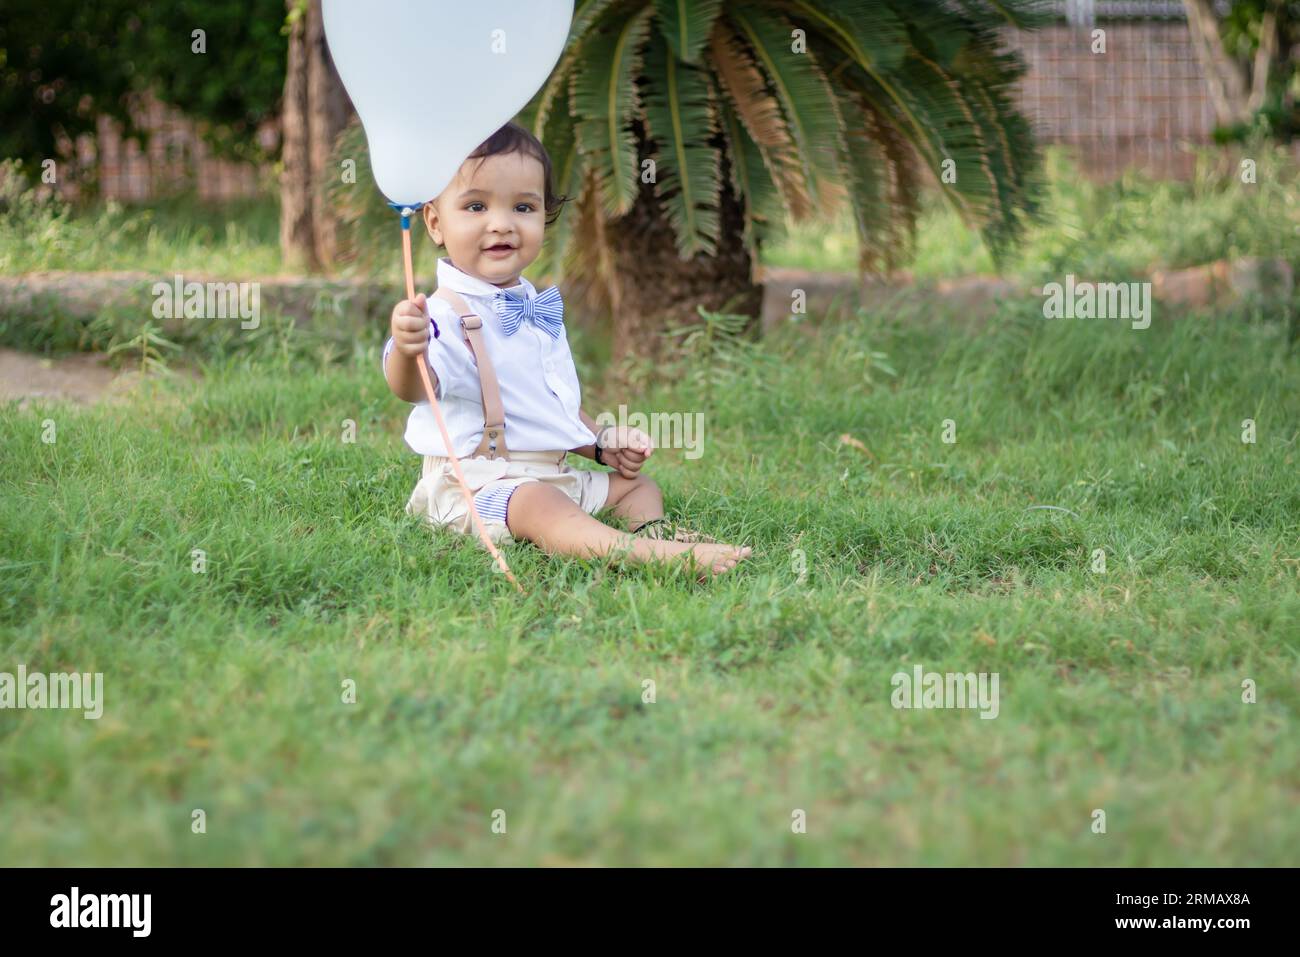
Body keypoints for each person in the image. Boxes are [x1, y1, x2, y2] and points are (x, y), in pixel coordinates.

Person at [382, 123, 751, 579]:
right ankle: (645, 556)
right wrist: (405, 347)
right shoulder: (443, 314)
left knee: (637, 488)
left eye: (523, 206)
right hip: (475, 484)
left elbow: (547, 407)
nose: (501, 223)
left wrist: (601, 446)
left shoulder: (534, 308)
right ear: (435, 222)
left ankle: (653, 535)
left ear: (545, 215)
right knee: (540, 505)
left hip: (550, 472)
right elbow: (415, 388)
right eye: (476, 206)